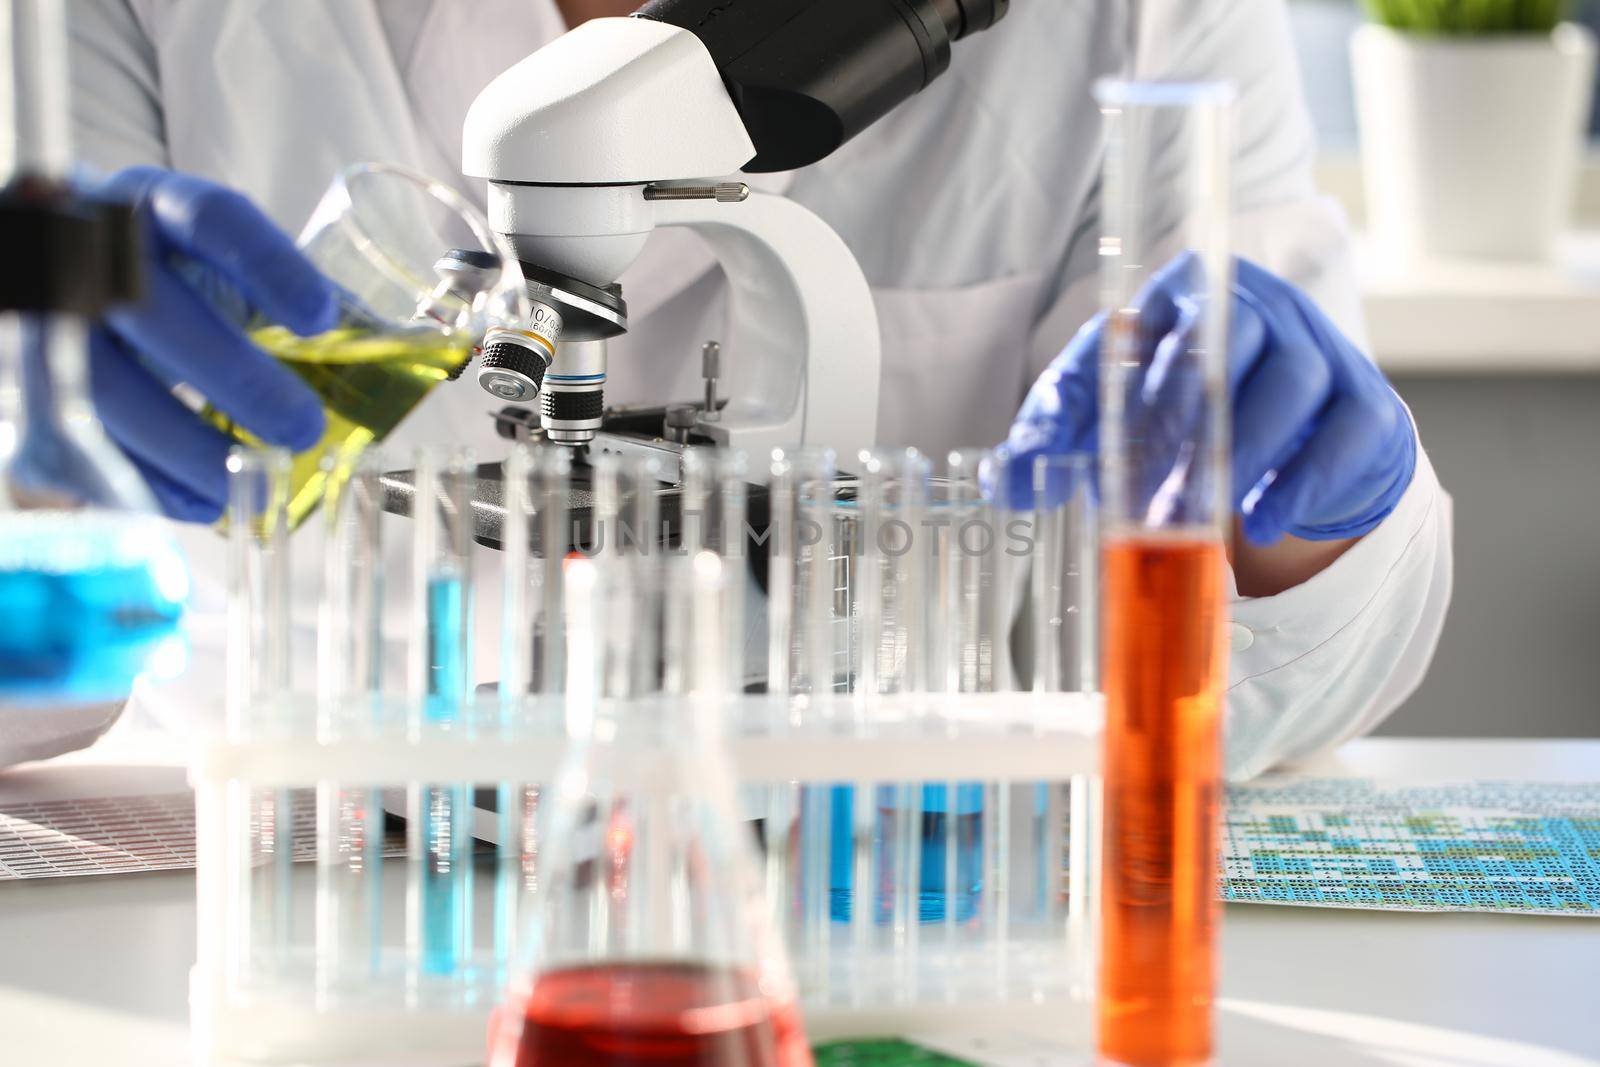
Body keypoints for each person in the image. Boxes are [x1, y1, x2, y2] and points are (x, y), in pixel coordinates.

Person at [51, 0, 1451, 779]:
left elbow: (1240, 688)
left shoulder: (1136, 26)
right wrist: (30, 444)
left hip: (876, 899)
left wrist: (1298, 526)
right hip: (290, 878)